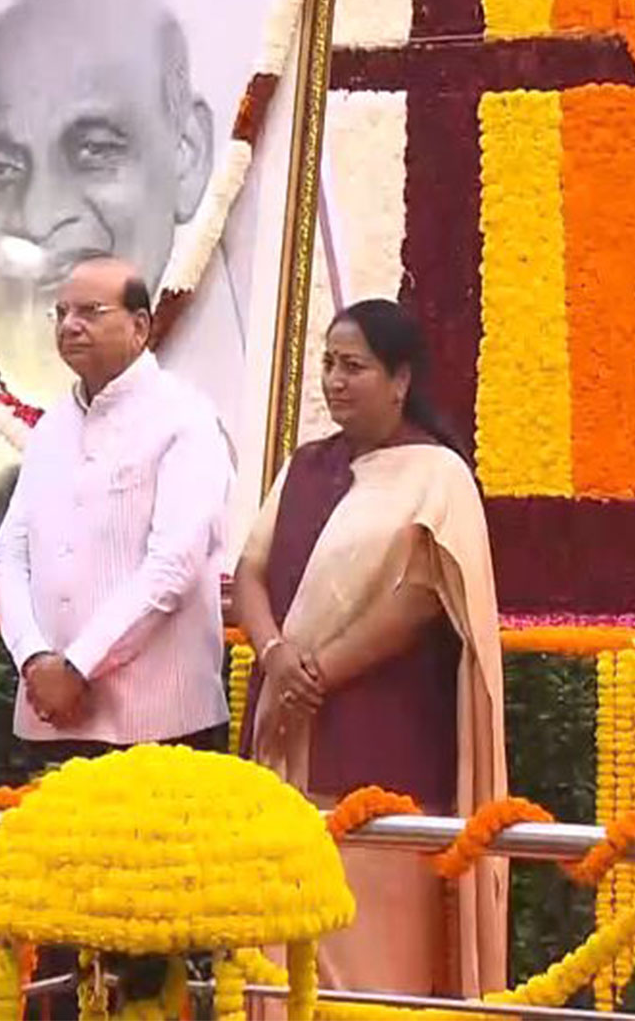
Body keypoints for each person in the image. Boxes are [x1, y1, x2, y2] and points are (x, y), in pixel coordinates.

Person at [0, 0, 247, 526]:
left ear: (188, 154)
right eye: (1, 168)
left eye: (94, 150)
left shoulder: (201, 418)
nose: (39, 217)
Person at [230, 298, 507, 998]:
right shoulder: (304, 467)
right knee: (278, 954)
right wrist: (275, 656)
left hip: (381, 748)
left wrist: (317, 673)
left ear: (400, 380)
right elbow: (250, 572)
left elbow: (424, 599)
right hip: (286, 734)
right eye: (328, 363)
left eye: (353, 366)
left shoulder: (437, 474)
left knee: (370, 961)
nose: (334, 380)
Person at [0, 256, 232, 765]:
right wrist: (33, 657)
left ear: (139, 326)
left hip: (161, 720)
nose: (69, 326)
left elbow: (173, 565)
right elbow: (11, 553)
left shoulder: (185, 417)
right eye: (61, 313)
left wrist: (77, 667)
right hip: (52, 715)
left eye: (90, 312)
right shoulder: (51, 428)